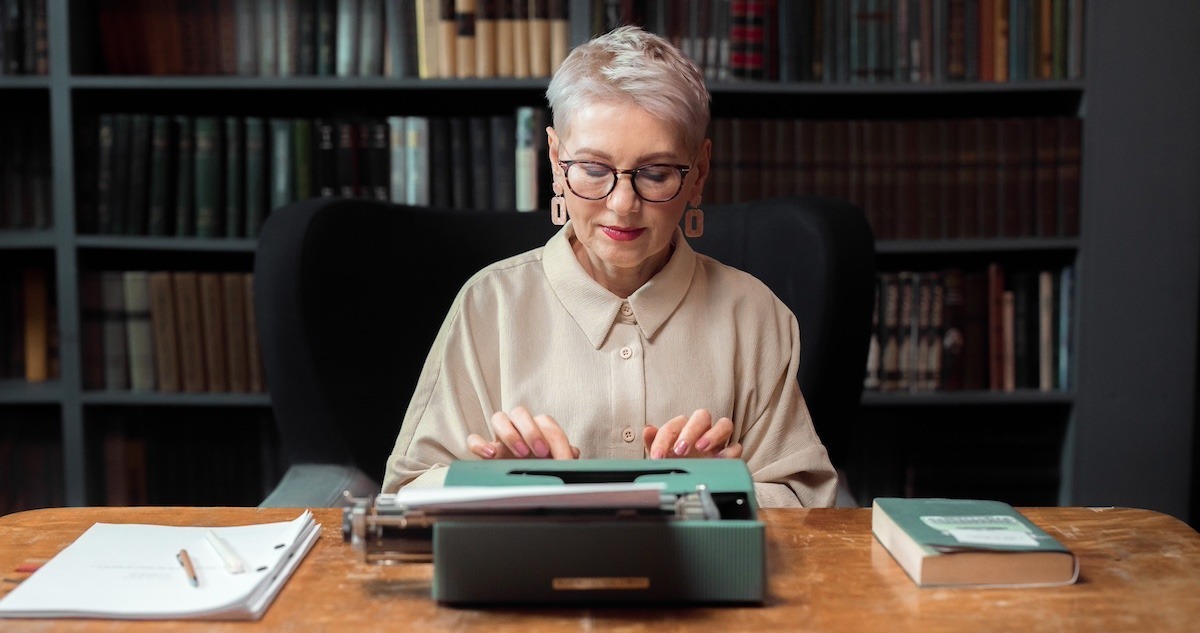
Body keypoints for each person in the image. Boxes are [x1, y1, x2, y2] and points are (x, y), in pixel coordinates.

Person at [381, 25, 838, 508]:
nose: (622, 204)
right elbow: (405, 494)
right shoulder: (488, 305)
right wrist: (500, 486)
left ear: (698, 172)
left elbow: (810, 509)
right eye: (595, 170)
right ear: (557, 161)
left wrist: (719, 492)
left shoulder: (755, 314)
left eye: (656, 174)